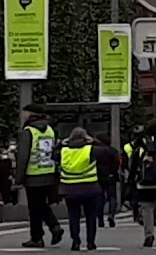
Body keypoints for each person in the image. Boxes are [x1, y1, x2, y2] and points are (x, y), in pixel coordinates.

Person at [13, 106, 63, 248]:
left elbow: (23, 157)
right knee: (41, 205)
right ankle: (53, 228)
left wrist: (18, 179)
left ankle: (37, 237)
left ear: (30, 115)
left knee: (34, 208)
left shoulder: (28, 132)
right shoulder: (50, 130)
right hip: (48, 172)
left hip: (33, 175)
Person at [56, 127, 110, 251]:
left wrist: (61, 143)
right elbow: (106, 151)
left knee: (73, 216)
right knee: (91, 215)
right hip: (89, 187)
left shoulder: (64, 151)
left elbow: (53, 154)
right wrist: (93, 141)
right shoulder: (91, 150)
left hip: (69, 188)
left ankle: (75, 241)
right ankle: (91, 242)